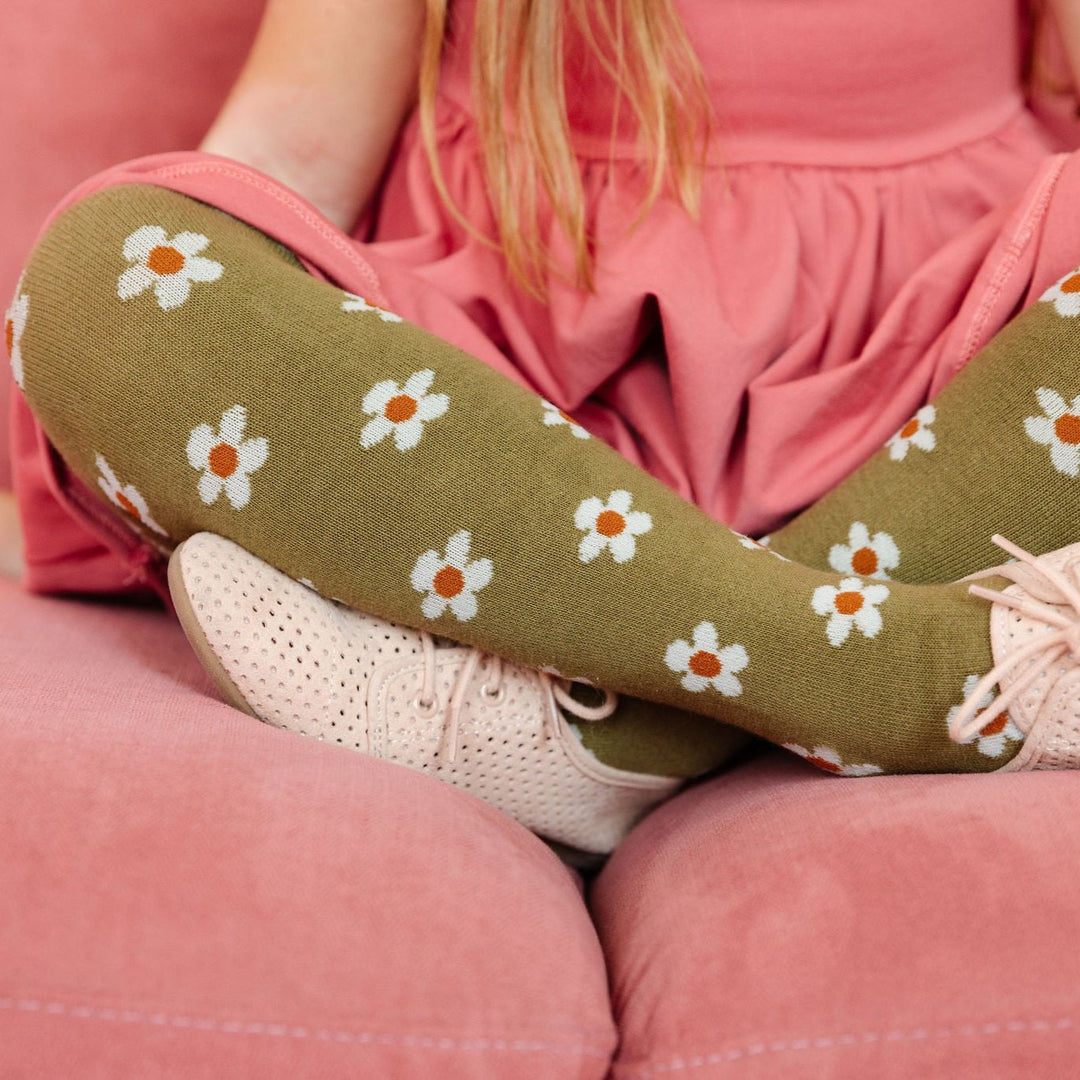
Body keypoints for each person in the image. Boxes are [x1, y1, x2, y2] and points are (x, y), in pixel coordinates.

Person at [8, 0, 1080, 854]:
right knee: (105, 274)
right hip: (506, 438)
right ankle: (921, 676)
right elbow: (290, 146)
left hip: (924, 405)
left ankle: (625, 719)